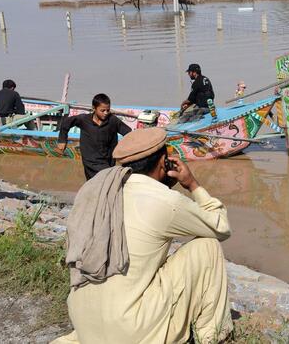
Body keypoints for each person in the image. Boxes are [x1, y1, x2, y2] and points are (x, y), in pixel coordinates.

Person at [52, 128, 232, 344]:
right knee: (208, 246)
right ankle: (212, 337)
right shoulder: (165, 201)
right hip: (129, 331)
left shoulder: (99, 191)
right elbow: (221, 227)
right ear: (163, 162)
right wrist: (192, 184)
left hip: (84, 324)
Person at [57, 93, 131, 180]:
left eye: (108, 110)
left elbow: (129, 133)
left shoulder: (113, 121)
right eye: (102, 110)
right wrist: (62, 140)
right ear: (94, 108)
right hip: (90, 161)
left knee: (97, 186)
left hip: (108, 161)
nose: (106, 113)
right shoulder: (84, 120)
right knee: (104, 181)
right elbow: (66, 123)